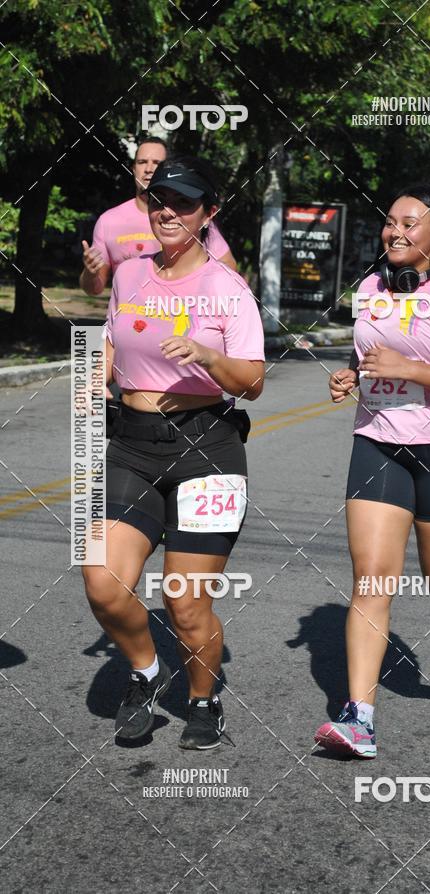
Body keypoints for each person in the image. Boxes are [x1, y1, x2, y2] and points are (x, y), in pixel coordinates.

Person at [82, 155, 265, 749]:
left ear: (208, 213)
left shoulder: (227, 288)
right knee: (103, 582)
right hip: (131, 445)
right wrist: (96, 377)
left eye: (183, 203)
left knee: (185, 604)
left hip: (207, 448)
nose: (167, 211)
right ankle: (146, 670)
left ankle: (204, 699)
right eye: (160, 199)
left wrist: (209, 357)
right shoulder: (131, 275)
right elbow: (113, 342)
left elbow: (253, 382)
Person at [314, 183, 430, 759]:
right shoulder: (370, 288)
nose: (394, 230)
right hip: (378, 443)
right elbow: (369, 353)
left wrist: (409, 368)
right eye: (390, 221)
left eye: (410, 222)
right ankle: (359, 718)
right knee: (371, 579)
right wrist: (352, 375)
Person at [80, 137, 237, 297]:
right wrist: (90, 273)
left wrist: (193, 298)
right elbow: (94, 289)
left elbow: (228, 267)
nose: (148, 169)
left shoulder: (191, 219)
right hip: (130, 311)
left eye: (156, 163)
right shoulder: (109, 221)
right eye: (142, 162)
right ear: (133, 168)